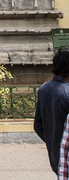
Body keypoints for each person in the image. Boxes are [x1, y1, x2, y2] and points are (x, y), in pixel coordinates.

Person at [34, 47, 69, 175]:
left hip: (55, 157)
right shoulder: (66, 93)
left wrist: (52, 142)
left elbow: (38, 126)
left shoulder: (44, 88)